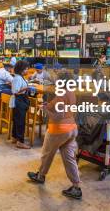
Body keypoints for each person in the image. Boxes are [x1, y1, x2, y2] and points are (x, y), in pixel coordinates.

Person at [28, 71, 81, 200]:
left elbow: (58, 116)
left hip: (58, 130)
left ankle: (40, 176)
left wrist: (45, 109)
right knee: (69, 159)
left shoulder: (61, 95)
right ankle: (76, 187)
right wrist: (49, 105)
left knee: (47, 154)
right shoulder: (71, 93)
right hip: (71, 130)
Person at [10, 60, 31, 149]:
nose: (27, 71)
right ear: (22, 69)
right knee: (20, 122)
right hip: (19, 100)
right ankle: (20, 142)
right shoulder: (18, 78)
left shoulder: (19, 77)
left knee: (16, 120)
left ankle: (15, 137)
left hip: (20, 100)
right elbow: (15, 92)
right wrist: (26, 88)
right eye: (26, 69)